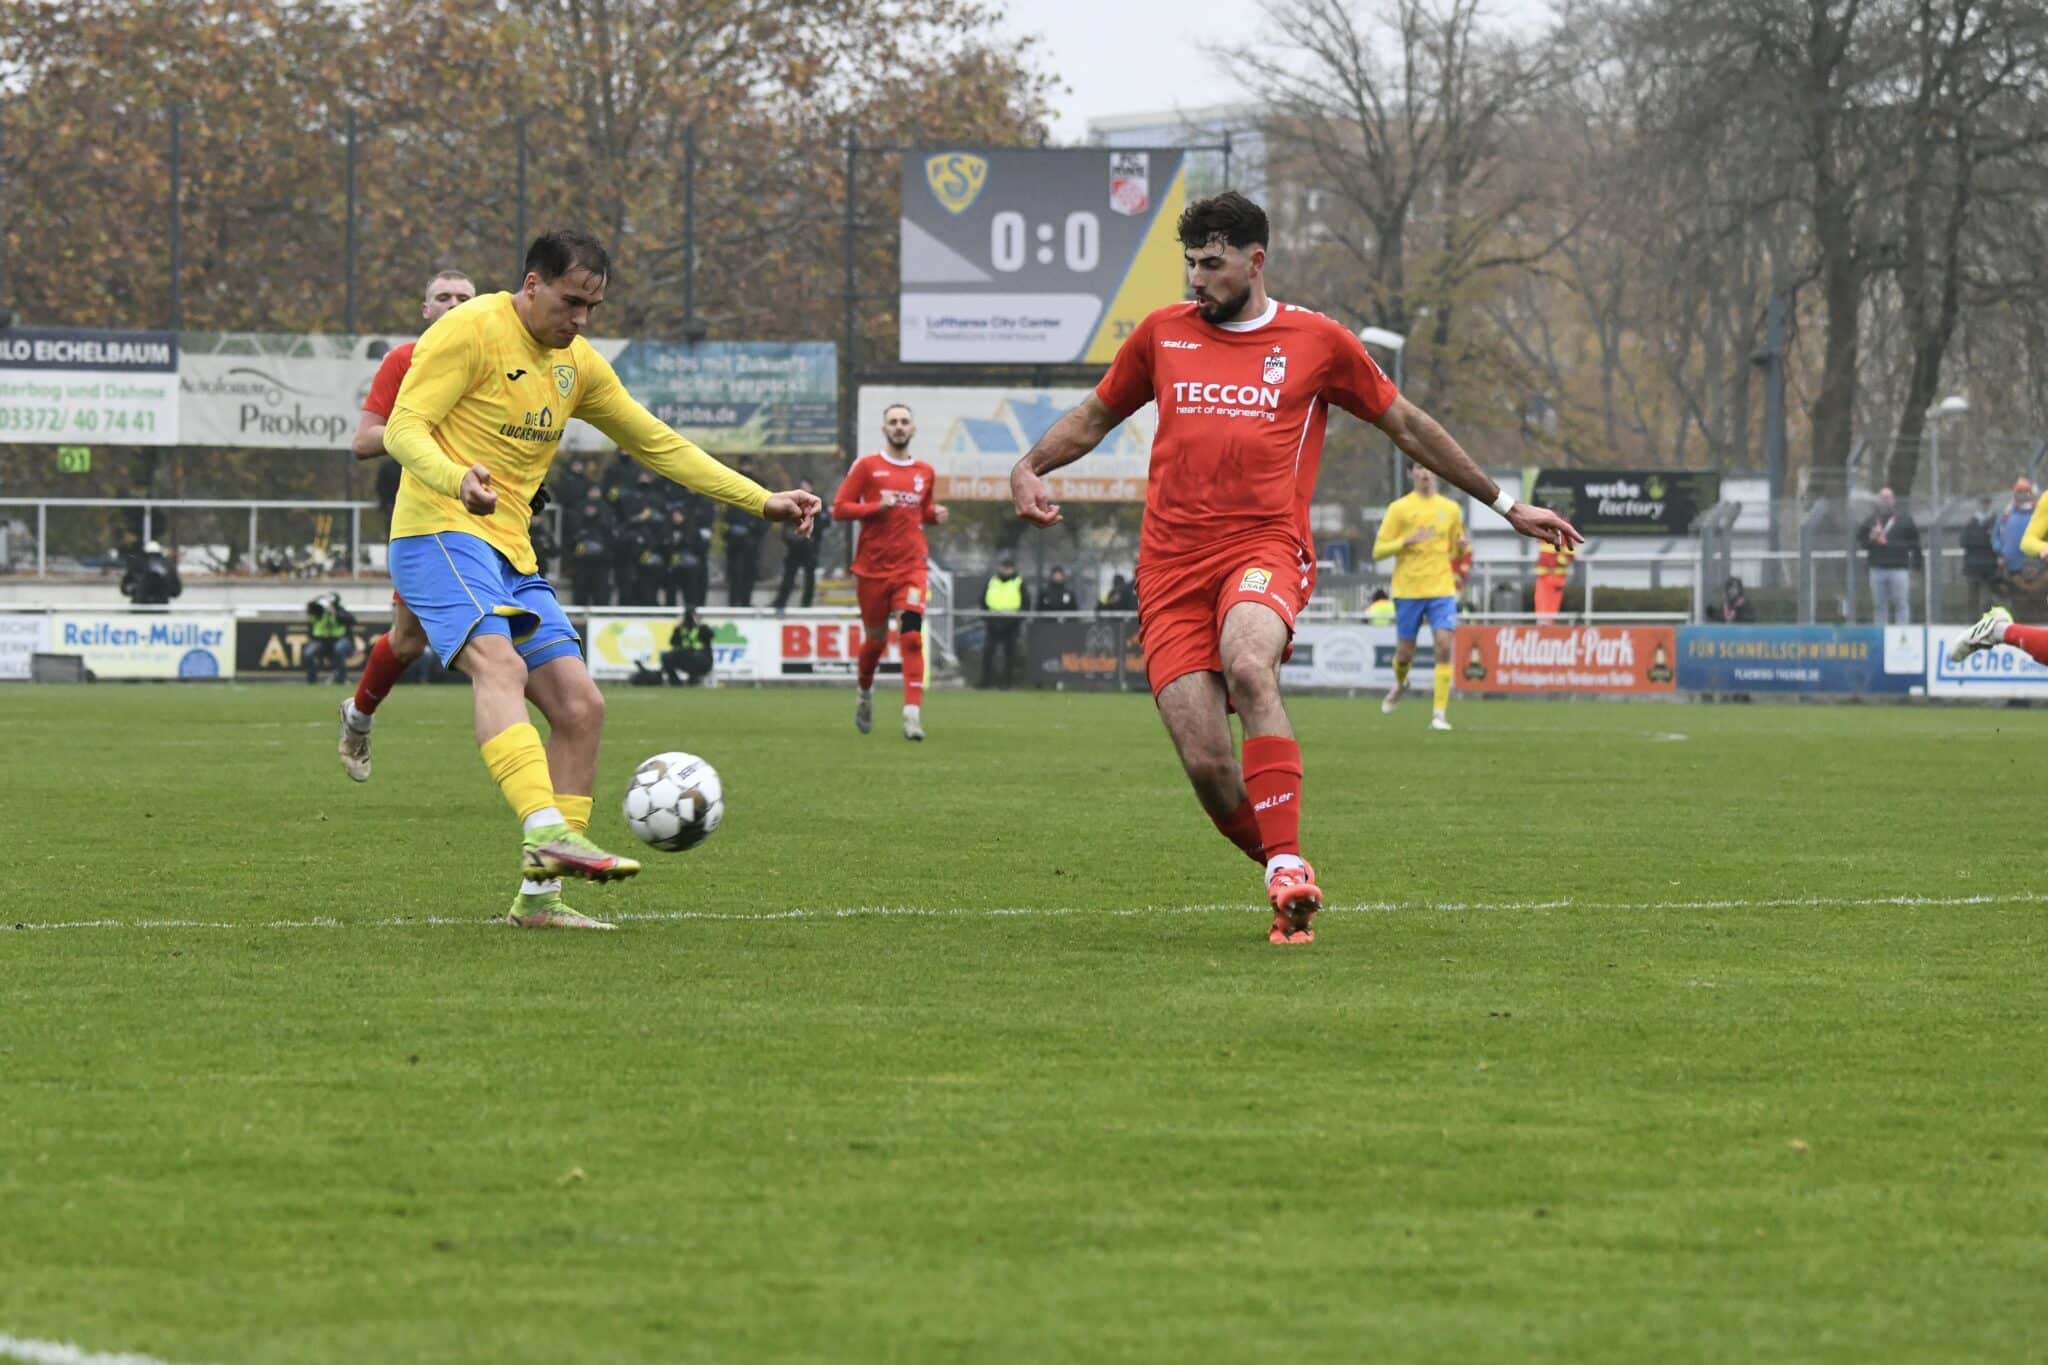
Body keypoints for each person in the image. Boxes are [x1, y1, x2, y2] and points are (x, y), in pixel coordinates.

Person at [1008, 192, 1579, 945]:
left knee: (1249, 663)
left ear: (1256, 260)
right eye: (1190, 263)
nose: (1197, 279)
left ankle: (1285, 872)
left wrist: (1505, 504)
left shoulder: (1317, 341)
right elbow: (1094, 415)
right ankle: (1283, 867)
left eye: (1212, 264)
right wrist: (1030, 465)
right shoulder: (1161, 334)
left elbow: (1406, 424)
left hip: (1264, 548)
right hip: (1169, 568)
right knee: (1208, 766)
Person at [379, 229, 819, 929]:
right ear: (532, 285)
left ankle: (540, 900)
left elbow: (657, 442)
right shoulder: (470, 330)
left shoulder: (577, 364)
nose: (581, 319)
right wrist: (455, 477)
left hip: (510, 549)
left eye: (593, 307)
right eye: (571, 302)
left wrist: (761, 500)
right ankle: (547, 829)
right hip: (438, 529)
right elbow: (403, 429)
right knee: (499, 664)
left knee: (582, 707)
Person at [337, 267, 477, 781]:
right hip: (426, 517)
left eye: (464, 297)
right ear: (426, 310)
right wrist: (415, 431)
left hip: (489, 516)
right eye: (443, 297)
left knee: (506, 642)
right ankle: (358, 716)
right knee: (408, 643)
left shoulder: (502, 362)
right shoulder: (405, 361)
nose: (454, 304)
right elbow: (362, 441)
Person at [832, 403, 948, 741]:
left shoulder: (925, 471)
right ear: (884, 429)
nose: (899, 426)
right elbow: (839, 509)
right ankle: (864, 693)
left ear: (913, 429)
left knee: (911, 636)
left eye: (904, 421)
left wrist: (934, 515)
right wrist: (875, 507)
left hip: (911, 567)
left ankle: (912, 716)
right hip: (872, 570)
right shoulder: (867, 467)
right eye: (893, 422)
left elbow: (921, 511)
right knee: (875, 642)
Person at [1373, 464, 1472, 732]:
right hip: (1408, 590)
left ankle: (1439, 714)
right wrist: (1405, 541)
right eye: (1419, 468)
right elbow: (1378, 551)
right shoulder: (1399, 509)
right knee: (1405, 653)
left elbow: (1456, 550)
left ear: (1436, 472)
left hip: (1441, 588)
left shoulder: (1451, 509)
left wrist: (1463, 548)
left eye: (1429, 467)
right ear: (1411, 473)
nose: (1425, 473)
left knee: (1444, 644)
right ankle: (1401, 683)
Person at [1857, 486, 1921, 624]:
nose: (1885, 501)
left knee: (1901, 604)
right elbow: (1861, 541)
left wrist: (1917, 566)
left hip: (1899, 568)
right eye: (1883, 498)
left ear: (1894, 500)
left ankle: (1902, 632)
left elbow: (1915, 544)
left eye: (1888, 498)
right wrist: (1871, 538)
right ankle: (1881, 631)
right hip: (1877, 568)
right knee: (1879, 605)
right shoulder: (1870, 521)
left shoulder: (1905, 520)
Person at [771, 479, 826, 610]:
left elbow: (824, 523)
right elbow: (786, 525)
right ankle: (781, 601)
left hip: (810, 546)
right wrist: (791, 538)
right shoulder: (793, 504)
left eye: (806, 486)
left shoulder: (817, 504)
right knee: (789, 574)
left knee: (809, 576)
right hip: (795, 546)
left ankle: (806, 602)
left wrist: (812, 536)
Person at [980, 556, 1028, 688]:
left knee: (1010, 654)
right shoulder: (992, 581)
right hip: (993, 622)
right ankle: (986, 682)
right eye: (1004, 567)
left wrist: (1016, 620)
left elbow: (1025, 604)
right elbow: (983, 601)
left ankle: (1007, 682)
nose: (1006, 570)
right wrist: (988, 618)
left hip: (1011, 623)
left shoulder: (1018, 582)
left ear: (1013, 569)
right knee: (988, 653)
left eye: (1009, 568)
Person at [1961, 496, 2000, 619]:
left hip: (1989, 565)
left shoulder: (1995, 521)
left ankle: (1988, 620)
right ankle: (1972, 621)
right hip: (1973, 564)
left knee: (1988, 596)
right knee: (1972, 595)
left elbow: (1997, 541)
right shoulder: (1971, 522)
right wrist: (1984, 539)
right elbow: (1963, 541)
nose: (1984, 506)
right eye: (1982, 503)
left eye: (1986, 503)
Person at [305, 592, 357, 684]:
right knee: (308, 653)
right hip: (321, 641)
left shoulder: (341, 611)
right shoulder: (318, 611)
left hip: (339, 639)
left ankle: (341, 678)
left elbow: (352, 620)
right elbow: (310, 609)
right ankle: (312, 680)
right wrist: (317, 600)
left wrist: (334, 612)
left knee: (339, 649)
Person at [661, 608, 717, 686]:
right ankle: (676, 682)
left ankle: (694, 679)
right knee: (665, 656)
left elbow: (711, 635)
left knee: (694, 656)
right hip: (685, 657)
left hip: (702, 658)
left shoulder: (702, 628)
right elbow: (672, 642)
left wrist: (700, 625)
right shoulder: (680, 629)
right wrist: (678, 628)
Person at [118, 539, 181, 604]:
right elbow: (176, 591)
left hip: (139, 605)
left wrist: (135, 590)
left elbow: (125, 589)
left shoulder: (136, 563)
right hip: (161, 606)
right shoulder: (168, 564)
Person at [1533, 536, 1574, 624]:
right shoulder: (1545, 533)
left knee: (1552, 604)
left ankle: (1548, 625)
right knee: (1540, 601)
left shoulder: (1565, 534)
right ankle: (1541, 625)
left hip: (1556, 577)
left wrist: (1557, 561)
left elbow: (1570, 555)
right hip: (1543, 575)